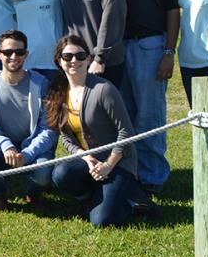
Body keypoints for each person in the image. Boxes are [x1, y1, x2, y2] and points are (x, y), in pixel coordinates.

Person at [110, 0, 181, 194]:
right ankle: (130, 172)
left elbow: (173, 10)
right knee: (124, 114)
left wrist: (168, 51)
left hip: (151, 45)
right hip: (119, 47)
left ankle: (153, 178)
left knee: (149, 115)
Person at [47, 34, 139, 228]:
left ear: (89, 59)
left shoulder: (103, 89)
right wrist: (86, 158)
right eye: (68, 57)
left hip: (118, 162)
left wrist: (108, 165)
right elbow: (66, 138)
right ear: (59, 61)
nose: (74, 61)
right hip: (90, 162)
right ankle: (92, 196)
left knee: (101, 221)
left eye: (81, 56)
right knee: (60, 174)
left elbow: (126, 132)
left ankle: (133, 202)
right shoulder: (60, 91)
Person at [0, 30, 56, 210]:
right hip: (2, 149)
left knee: (44, 171)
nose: (13, 56)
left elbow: (49, 129)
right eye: (7, 52)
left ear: (26, 54)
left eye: (19, 52)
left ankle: (33, 191)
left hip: (31, 149)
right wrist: (5, 145)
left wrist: (28, 154)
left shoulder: (41, 83)